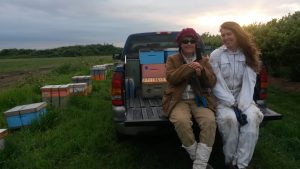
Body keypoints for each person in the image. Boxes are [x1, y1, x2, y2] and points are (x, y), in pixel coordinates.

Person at [209, 21, 264, 169]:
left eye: (229, 34)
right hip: (223, 99)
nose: (226, 38)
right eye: (223, 35)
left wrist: (242, 104)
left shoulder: (248, 54)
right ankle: (230, 161)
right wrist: (231, 103)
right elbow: (216, 83)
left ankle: (242, 164)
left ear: (237, 34)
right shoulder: (216, 55)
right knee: (229, 120)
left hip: (244, 98)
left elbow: (249, 82)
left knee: (252, 119)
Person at [162, 28, 217, 169]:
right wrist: (190, 68)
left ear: (196, 43)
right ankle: (197, 158)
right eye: (185, 41)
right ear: (180, 44)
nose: (189, 43)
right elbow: (172, 78)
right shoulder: (172, 59)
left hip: (199, 99)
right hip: (178, 100)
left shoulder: (204, 60)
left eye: (192, 41)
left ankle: (199, 165)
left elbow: (211, 82)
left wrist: (201, 72)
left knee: (210, 121)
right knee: (181, 121)